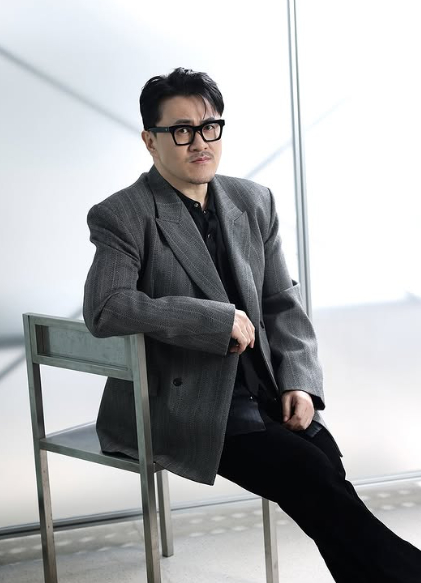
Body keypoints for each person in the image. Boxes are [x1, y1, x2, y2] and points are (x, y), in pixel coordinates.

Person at [83, 67, 421, 582]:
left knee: (323, 466)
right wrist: (211, 319)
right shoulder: (123, 214)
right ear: (150, 141)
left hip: (262, 391)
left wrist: (299, 383)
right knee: (313, 475)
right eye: (181, 130)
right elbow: (107, 307)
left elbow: (282, 304)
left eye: (209, 126)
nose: (200, 141)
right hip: (179, 402)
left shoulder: (252, 201)